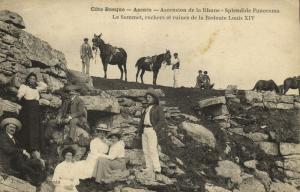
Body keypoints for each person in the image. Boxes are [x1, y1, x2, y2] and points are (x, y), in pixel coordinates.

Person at [0, 118, 46, 186]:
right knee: (27, 167)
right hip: (8, 162)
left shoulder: (15, 139)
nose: (12, 129)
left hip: (17, 161)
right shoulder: (2, 137)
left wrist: (26, 154)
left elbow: (19, 149)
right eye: (11, 127)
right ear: (6, 127)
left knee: (37, 163)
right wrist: (22, 151)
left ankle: (38, 179)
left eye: (14, 128)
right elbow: (8, 149)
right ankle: (36, 180)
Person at [138, 88, 167, 178]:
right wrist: (140, 130)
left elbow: (162, 121)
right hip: (145, 130)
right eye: (147, 97)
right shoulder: (146, 108)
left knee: (152, 149)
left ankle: (157, 168)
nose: (148, 99)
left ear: (154, 98)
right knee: (146, 150)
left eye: (149, 97)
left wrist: (155, 129)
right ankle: (149, 167)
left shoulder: (158, 108)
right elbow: (142, 120)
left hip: (152, 130)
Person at [17, 72, 47, 153]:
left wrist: (36, 82)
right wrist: (19, 99)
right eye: (30, 78)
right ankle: (28, 147)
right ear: (27, 79)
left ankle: (36, 147)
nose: (32, 80)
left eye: (34, 79)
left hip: (36, 109)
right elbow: (20, 95)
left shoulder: (36, 88)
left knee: (36, 127)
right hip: (28, 109)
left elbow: (44, 86)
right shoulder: (24, 87)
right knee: (29, 127)